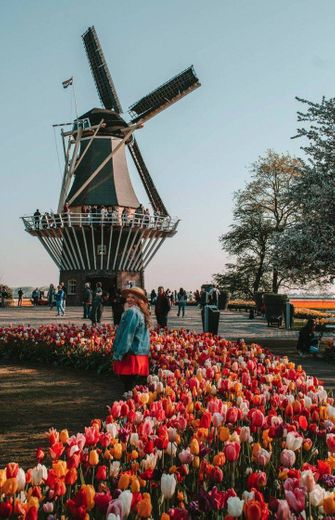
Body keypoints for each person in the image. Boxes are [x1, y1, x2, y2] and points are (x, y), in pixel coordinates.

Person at [112, 286, 150, 392]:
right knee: (134, 389)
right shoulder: (142, 312)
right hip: (140, 354)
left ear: (138, 299)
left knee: (129, 388)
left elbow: (128, 335)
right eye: (128, 297)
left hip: (131, 355)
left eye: (133, 297)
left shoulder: (132, 312)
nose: (129, 299)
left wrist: (119, 353)